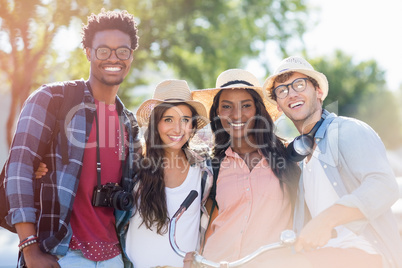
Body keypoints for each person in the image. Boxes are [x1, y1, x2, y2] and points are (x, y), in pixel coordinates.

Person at [5, 9, 140, 268]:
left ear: (131, 56)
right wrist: (30, 250)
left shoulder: (129, 123)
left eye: (122, 51)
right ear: (88, 52)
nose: (113, 58)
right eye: (103, 50)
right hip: (60, 254)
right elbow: (19, 169)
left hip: (113, 256)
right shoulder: (52, 99)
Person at [257, 55, 402, 268]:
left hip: (366, 253)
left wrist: (326, 220)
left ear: (319, 92)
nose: (292, 93)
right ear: (279, 106)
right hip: (325, 256)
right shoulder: (297, 157)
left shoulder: (347, 130)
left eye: (299, 84)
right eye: (282, 90)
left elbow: (384, 186)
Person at [187, 69, 300, 264]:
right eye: (227, 106)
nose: (236, 114)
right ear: (217, 113)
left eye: (246, 105)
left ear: (258, 110)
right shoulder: (212, 166)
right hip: (215, 262)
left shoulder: (288, 159)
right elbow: (207, 219)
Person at [124, 79, 212, 267]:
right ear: (156, 123)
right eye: (168, 119)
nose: (177, 129)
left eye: (185, 120)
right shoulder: (134, 167)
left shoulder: (204, 169)